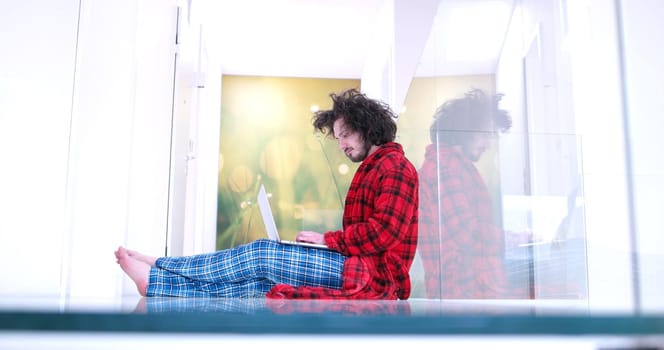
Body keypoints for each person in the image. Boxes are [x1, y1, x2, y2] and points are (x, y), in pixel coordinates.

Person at [115, 88, 419, 299]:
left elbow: (385, 233)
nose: (341, 146)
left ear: (367, 128)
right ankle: (155, 283)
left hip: (373, 276)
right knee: (260, 282)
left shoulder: (395, 167)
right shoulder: (376, 167)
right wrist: (331, 243)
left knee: (262, 254)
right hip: (361, 267)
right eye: (338, 138)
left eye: (346, 136)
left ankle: (160, 264)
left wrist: (329, 240)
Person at [417, 88, 519, 299]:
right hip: (465, 291)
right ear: (464, 130)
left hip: (469, 289)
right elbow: (466, 233)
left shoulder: (450, 166)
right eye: (485, 135)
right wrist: (514, 239)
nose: (488, 145)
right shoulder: (444, 168)